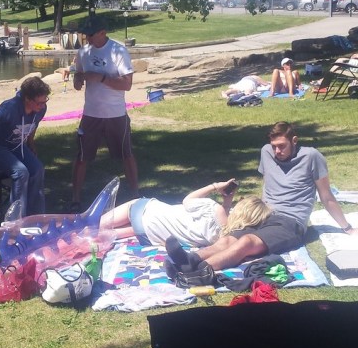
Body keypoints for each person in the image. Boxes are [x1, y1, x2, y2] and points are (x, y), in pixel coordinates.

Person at [167, 121, 358, 274]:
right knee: (227, 240)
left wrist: (347, 228)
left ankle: (196, 272)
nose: (277, 152)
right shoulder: (266, 152)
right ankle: (189, 260)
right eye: (274, 146)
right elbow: (269, 183)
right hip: (264, 215)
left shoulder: (312, 157)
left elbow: (326, 196)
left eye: (282, 146)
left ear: (294, 140)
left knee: (246, 243)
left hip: (291, 222)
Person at [71, 14, 138, 209]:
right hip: (90, 113)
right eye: (85, 34)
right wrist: (78, 80)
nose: (87, 38)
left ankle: (136, 195)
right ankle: (75, 199)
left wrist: (100, 78)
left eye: (90, 34)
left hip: (115, 114)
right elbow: (78, 74)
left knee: (126, 154)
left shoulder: (118, 51)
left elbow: (127, 85)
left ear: (102, 32)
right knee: (82, 157)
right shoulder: (83, 52)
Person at [99, 179, 272, 247]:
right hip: (148, 234)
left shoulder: (214, 209)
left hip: (145, 211)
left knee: (94, 224)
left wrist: (214, 187)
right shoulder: (227, 238)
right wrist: (227, 203)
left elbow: (188, 200)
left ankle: (84, 225)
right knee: (103, 235)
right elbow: (223, 221)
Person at [0, 76, 50, 217]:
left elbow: (33, 124)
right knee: (21, 172)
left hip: (16, 144)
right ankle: (15, 219)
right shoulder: (9, 109)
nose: (42, 105)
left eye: (45, 101)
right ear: (27, 99)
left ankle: (35, 216)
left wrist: (30, 142)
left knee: (38, 169)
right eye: (39, 103)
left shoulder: (41, 109)